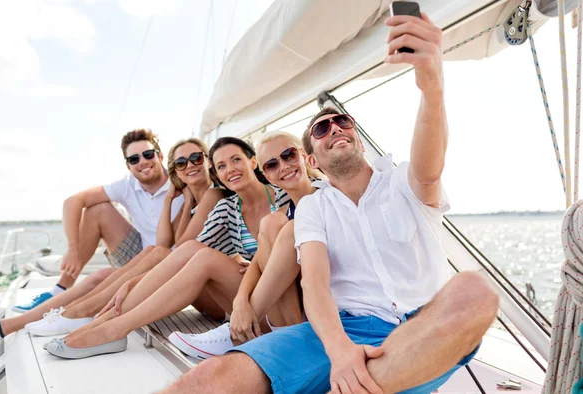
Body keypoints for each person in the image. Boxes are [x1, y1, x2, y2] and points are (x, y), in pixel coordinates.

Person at [159, 12, 499, 394]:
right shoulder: (313, 208)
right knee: (204, 380)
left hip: (422, 327)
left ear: (359, 140)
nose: (334, 128)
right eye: (321, 129)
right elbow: (317, 286)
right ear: (314, 161)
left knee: (474, 292)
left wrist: (431, 86)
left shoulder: (404, 181)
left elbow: (430, 163)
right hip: (343, 328)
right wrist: (340, 352)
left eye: (342, 122)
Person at [45, 137, 291, 359]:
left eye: (236, 160)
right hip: (251, 303)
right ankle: (103, 323)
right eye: (222, 166)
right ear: (216, 172)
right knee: (195, 250)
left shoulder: (284, 196)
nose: (230, 169)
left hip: (287, 308)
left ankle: (113, 328)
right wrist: (133, 282)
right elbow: (182, 251)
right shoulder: (228, 209)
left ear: (253, 162)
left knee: (201, 256)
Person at [0, 137, 224, 346]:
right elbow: (169, 242)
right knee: (146, 254)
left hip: (213, 294)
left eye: (196, 158)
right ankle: (55, 312)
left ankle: (79, 313)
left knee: (156, 254)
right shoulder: (189, 199)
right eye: (182, 163)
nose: (189, 165)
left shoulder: (213, 194)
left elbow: (178, 248)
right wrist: (174, 200)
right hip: (188, 278)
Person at [167, 131, 322, 359]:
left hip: (327, 301)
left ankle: (238, 333)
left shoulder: (327, 196)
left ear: (304, 155)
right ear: (266, 174)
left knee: (275, 225)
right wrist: (240, 300)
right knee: (270, 224)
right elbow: (259, 260)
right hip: (297, 305)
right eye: (271, 164)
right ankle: (281, 334)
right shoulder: (279, 211)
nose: (283, 166)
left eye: (288, 155)